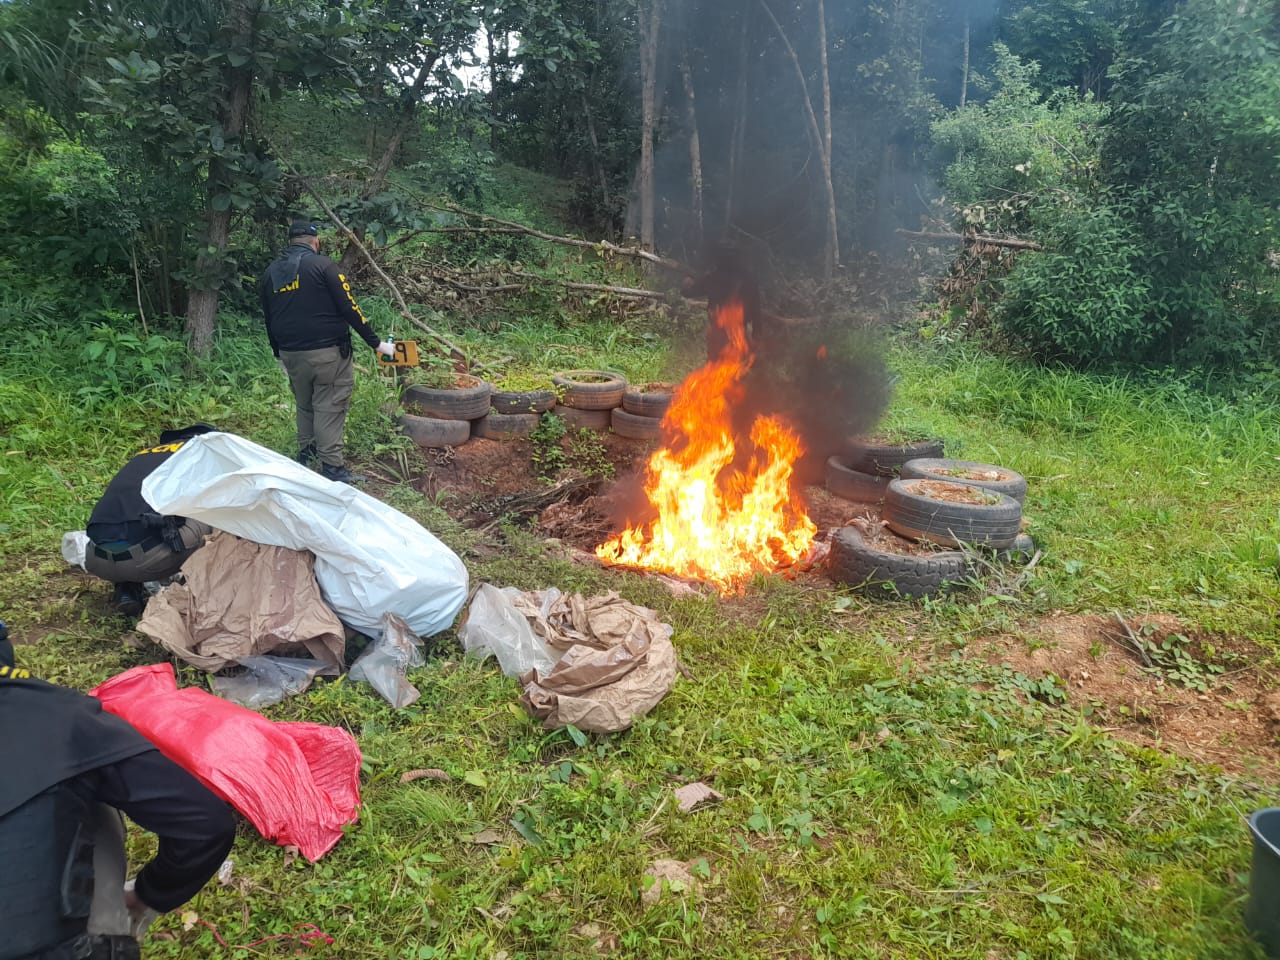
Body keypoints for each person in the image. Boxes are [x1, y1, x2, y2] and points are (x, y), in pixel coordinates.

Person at [0, 621, 236, 960]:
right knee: (92, 800)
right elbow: (205, 824)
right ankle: (107, 924)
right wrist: (150, 894)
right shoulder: (57, 717)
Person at [258, 220, 396, 485]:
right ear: (316, 242)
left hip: (290, 353)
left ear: (290, 241)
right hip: (327, 353)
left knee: (304, 404)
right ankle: (333, 468)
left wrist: (277, 354)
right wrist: (377, 343)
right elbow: (349, 307)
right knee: (330, 406)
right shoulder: (324, 266)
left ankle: (306, 455)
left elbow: (268, 317)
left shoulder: (270, 273)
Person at [84, 424, 218, 618]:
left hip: (95, 557)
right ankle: (207, 593)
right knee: (217, 511)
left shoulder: (146, 455)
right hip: (146, 561)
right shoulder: (201, 456)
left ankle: (127, 589)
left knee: (132, 527)